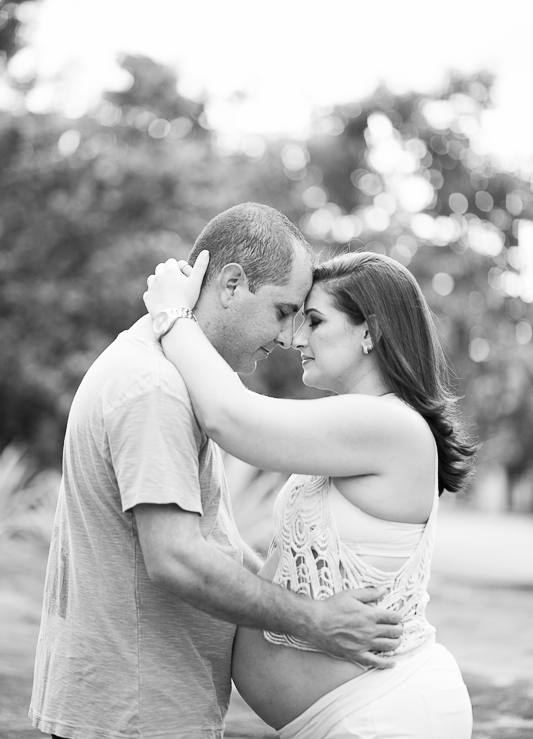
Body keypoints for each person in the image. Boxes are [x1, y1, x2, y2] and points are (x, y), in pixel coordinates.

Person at [30, 203, 402, 739]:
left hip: (141, 707)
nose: (286, 336)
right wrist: (315, 621)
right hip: (133, 713)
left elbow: (215, 542)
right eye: (283, 310)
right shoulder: (153, 387)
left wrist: (323, 604)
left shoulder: (169, 374)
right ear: (231, 284)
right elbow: (177, 557)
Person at [143, 247, 477, 739]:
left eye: (315, 321)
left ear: (370, 332)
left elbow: (230, 417)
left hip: (383, 716)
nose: (296, 336)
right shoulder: (363, 423)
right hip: (360, 716)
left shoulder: (387, 423)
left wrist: (172, 316)